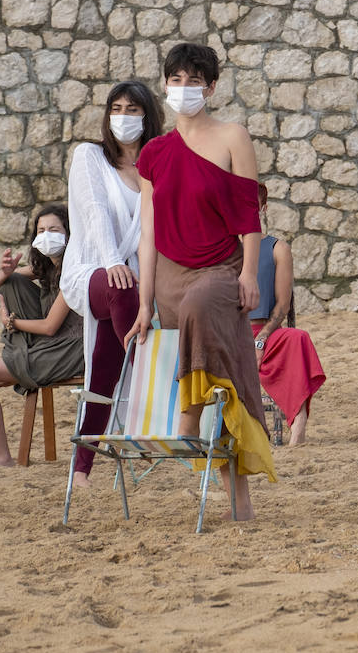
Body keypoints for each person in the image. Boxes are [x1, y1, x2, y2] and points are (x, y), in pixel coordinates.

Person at [127, 43, 276, 520]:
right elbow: (147, 234)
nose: (183, 89)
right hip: (171, 275)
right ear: (165, 84)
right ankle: (239, 501)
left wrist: (250, 272)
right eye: (176, 80)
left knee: (204, 309)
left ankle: (187, 419)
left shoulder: (233, 136)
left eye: (194, 81)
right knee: (222, 358)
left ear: (211, 87)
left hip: (221, 269)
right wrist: (145, 303)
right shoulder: (153, 152)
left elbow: (248, 213)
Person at [60, 80, 164, 489]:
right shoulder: (90, 156)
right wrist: (110, 261)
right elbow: (94, 209)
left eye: (133, 109)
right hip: (91, 270)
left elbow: (154, 232)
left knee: (103, 366)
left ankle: (81, 469)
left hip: (133, 283)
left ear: (147, 116)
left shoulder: (154, 167)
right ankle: (154, 389)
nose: (123, 117)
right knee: (120, 290)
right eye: (116, 108)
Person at [0, 204, 83, 468]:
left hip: (70, 349)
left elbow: (50, 327)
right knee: (13, 282)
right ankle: (20, 357)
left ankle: (1, 457)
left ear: (69, 233)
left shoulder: (73, 270)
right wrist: (6, 270)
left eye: (54, 229)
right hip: (53, 344)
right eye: (41, 230)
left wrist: (12, 323)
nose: (47, 235)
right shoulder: (49, 266)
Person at [251, 187, 326, 445]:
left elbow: (282, 307)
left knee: (298, 339)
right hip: (230, 332)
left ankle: (298, 430)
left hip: (265, 332)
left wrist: (260, 340)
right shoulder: (223, 248)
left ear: (263, 207)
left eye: (253, 204)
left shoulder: (277, 248)